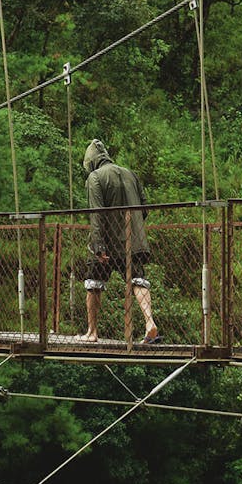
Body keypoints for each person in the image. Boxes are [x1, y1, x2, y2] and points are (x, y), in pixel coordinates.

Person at [79, 139, 161, 344]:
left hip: (106, 243)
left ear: (90, 162)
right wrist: (134, 230)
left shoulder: (95, 178)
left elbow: (96, 214)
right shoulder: (130, 174)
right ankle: (150, 323)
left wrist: (98, 246)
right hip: (132, 241)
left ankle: (92, 332)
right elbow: (144, 208)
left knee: (93, 284)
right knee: (138, 280)